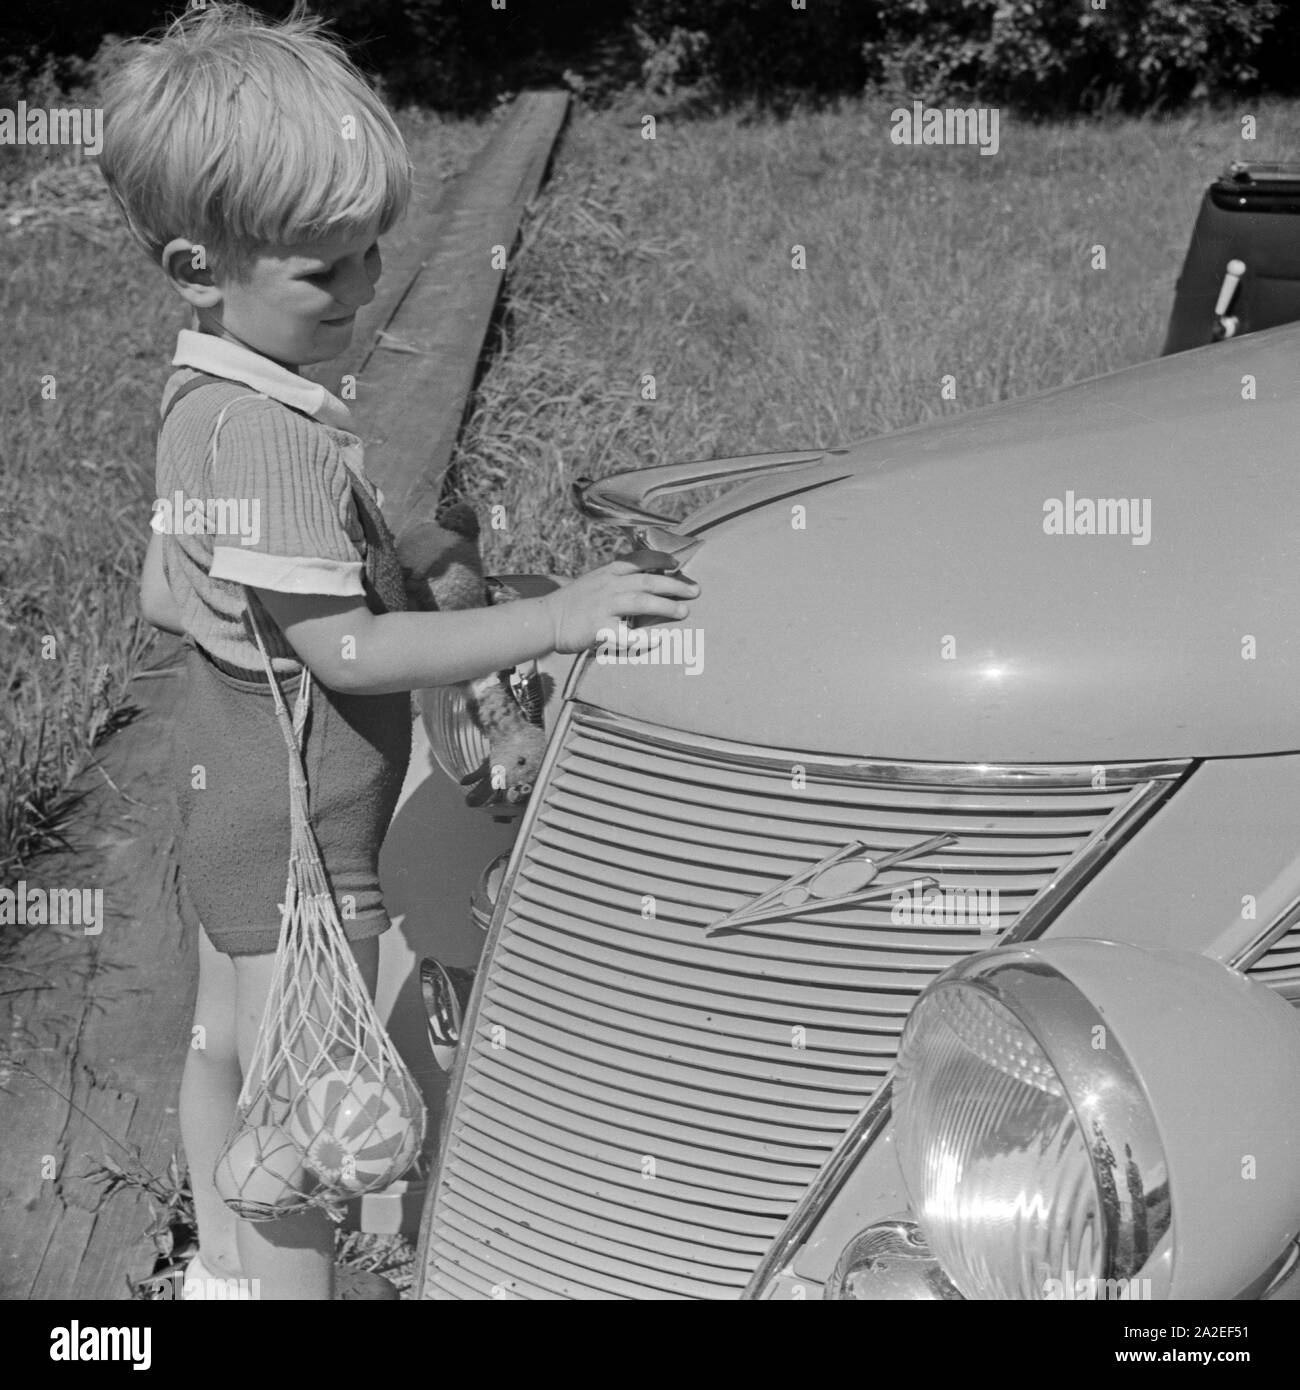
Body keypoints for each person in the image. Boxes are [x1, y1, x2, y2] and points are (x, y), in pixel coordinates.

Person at [97, 2, 698, 1300]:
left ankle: (218, 1272)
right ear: (202, 264)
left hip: (228, 800)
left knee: (221, 1040)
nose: (367, 290)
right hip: (311, 831)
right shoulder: (274, 437)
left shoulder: (202, 387)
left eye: (374, 253)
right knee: (309, 1133)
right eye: (327, 270)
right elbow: (356, 652)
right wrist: (555, 615)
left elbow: (162, 588)